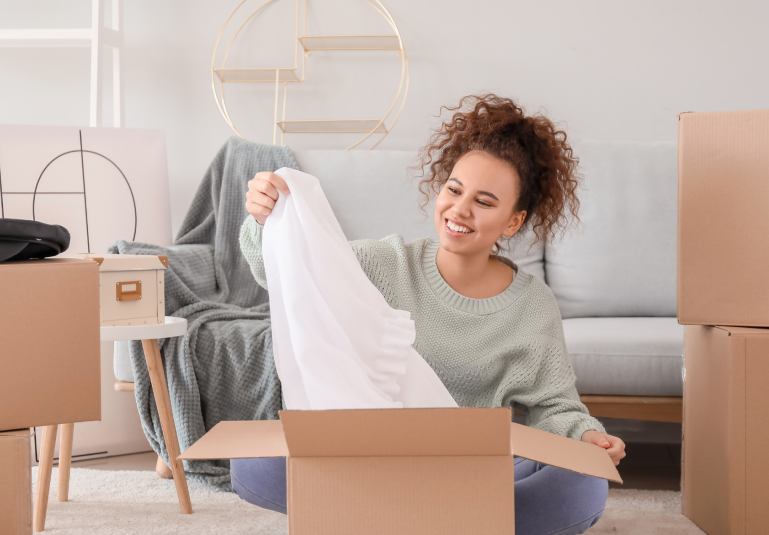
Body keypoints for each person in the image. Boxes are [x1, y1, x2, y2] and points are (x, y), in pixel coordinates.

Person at [234, 93, 625, 535]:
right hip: (373, 465)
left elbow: (553, 408)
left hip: (474, 474)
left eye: (485, 201)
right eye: (454, 190)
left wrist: (585, 437)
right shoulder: (384, 263)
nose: (459, 209)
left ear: (513, 222)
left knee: (583, 486)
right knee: (252, 462)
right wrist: (266, 217)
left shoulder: (532, 307)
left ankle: (404, 519)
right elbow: (289, 272)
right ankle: (444, 522)